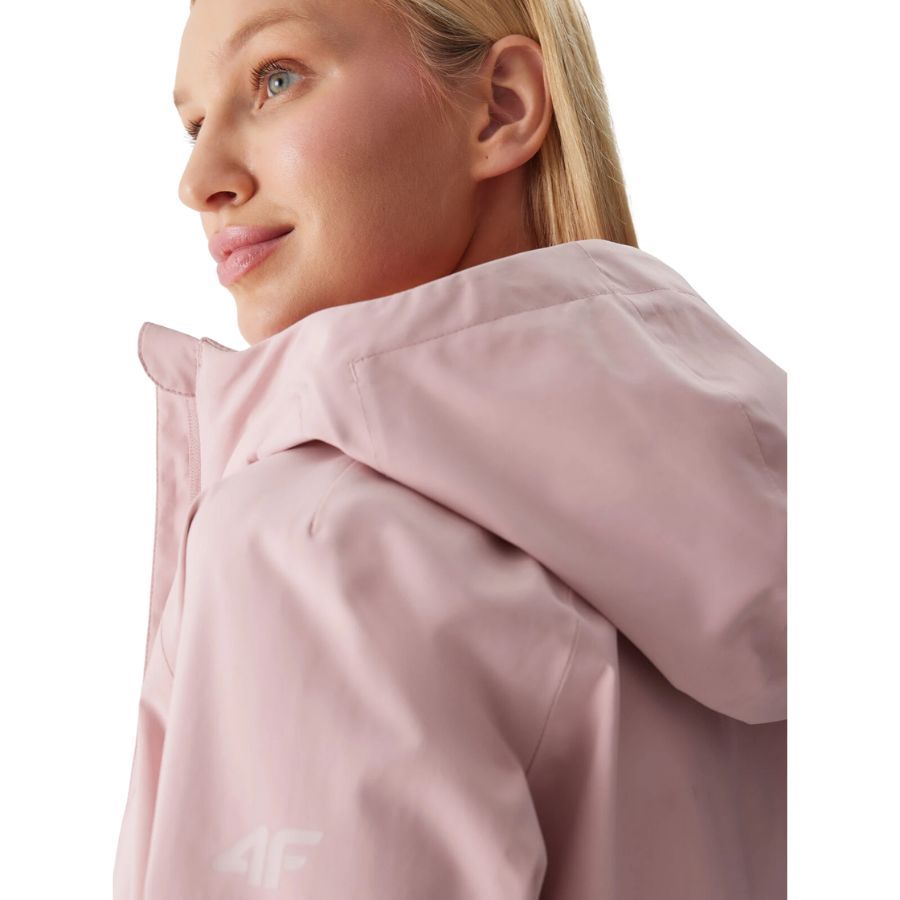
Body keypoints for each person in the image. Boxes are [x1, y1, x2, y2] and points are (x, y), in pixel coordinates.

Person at [112, 0, 787, 897]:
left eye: (275, 79)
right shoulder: (773, 497)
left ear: (501, 107)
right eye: (195, 124)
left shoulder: (312, 543)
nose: (200, 179)